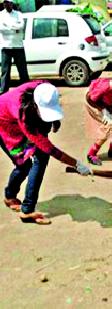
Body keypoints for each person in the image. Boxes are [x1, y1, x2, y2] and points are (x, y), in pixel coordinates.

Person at [0, 81, 91, 224]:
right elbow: (50, 149)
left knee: (41, 160)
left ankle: (19, 202)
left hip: (24, 117)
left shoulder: (45, 89)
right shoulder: (22, 112)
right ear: (35, 105)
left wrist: (53, 121)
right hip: (5, 126)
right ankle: (25, 209)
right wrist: (76, 164)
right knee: (24, 166)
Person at [0, 0, 29, 94]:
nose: (6, 4)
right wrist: (14, 28)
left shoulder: (18, 14)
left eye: (8, 2)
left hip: (18, 47)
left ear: (12, 4)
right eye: (5, 2)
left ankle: (27, 92)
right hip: (6, 47)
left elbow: (21, 26)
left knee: (23, 71)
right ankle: (3, 93)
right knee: (5, 72)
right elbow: (1, 29)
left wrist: (8, 26)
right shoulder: (0, 15)